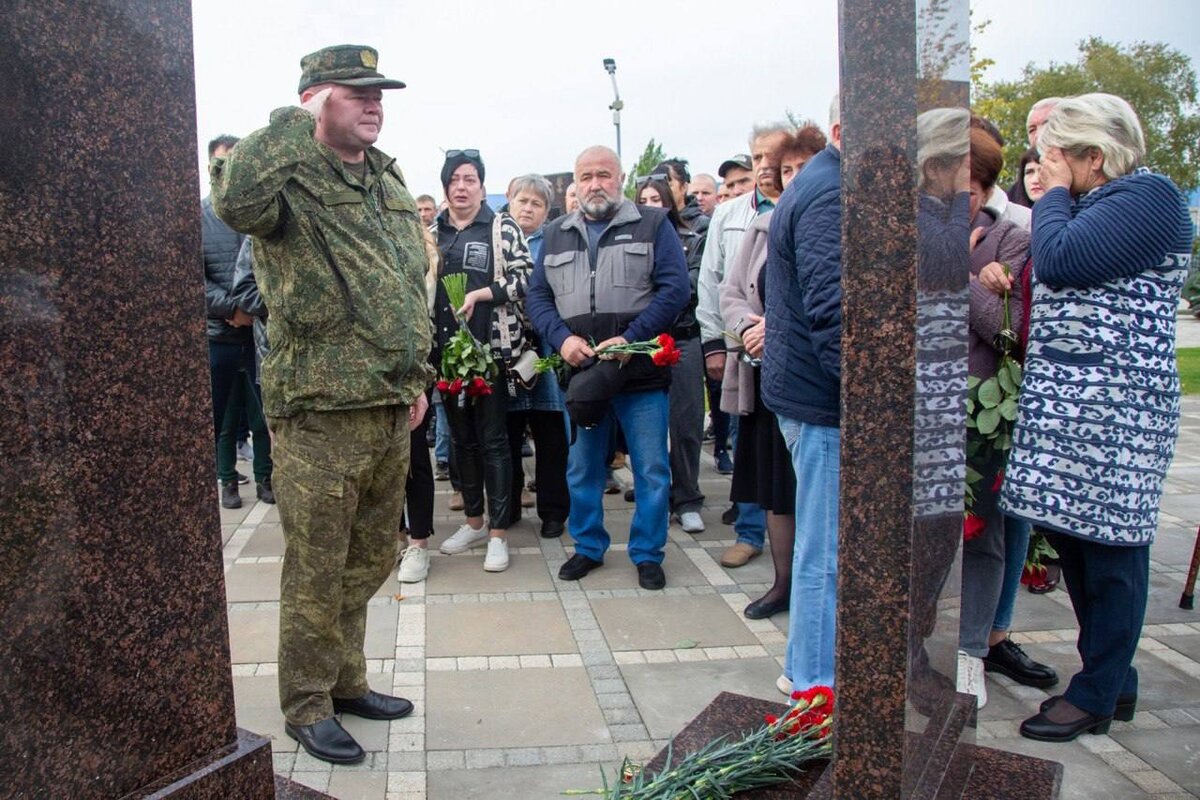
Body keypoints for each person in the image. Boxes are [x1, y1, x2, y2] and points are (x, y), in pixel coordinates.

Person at [210, 44, 428, 764]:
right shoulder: (284, 177)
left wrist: (416, 377)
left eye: (380, 93)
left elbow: (406, 284)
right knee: (317, 565)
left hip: (389, 402)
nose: (375, 104)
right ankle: (307, 703)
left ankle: (347, 681)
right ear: (315, 100)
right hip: (318, 411)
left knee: (371, 553)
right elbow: (234, 199)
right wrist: (289, 123)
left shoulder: (388, 175)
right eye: (356, 92)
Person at [1000, 93, 1194, 742]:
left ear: (1095, 155)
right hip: (1074, 415)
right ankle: (1115, 679)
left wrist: (1052, 195)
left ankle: (1096, 695)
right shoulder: (1095, 203)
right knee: (1080, 548)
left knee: (1110, 554)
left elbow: (1062, 260)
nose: (1045, 166)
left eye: (1057, 155)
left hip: (1116, 419)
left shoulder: (1148, 196)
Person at [526, 145, 690, 591]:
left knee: (652, 467)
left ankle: (647, 553)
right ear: (574, 186)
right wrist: (562, 340)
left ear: (621, 178)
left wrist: (633, 336)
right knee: (582, 466)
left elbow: (675, 289)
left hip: (639, 373)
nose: (594, 183)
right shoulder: (557, 232)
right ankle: (588, 547)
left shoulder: (653, 225)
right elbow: (537, 297)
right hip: (584, 374)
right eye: (586, 176)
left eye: (604, 174)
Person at [954, 123, 1056, 708]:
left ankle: (971, 649)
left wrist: (958, 276)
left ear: (986, 188)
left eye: (967, 188)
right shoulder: (903, 237)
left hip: (982, 416)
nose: (952, 201)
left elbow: (1006, 331)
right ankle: (919, 640)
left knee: (983, 535)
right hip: (917, 412)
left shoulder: (1011, 239)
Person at [718, 125, 822, 609]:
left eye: (798, 167)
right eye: (782, 168)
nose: (779, 173)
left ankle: (817, 592)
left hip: (811, 377)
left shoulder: (830, 220)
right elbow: (731, 291)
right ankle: (784, 586)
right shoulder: (760, 227)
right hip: (763, 374)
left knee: (813, 491)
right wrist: (747, 328)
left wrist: (775, 329)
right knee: (778, 485)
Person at [762, 95, 841, 695]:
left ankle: (815, 668)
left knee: (827, 544)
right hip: (824, 400)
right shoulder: (831, 190)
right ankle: (814, 679)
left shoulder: (821, 183)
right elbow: (834, 309)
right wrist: (874, 403)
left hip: (814, 394)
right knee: (825, 552)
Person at [431, 150, 533, 573]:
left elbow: (525, 277)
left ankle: (498, 532)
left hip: (490, 352)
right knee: (461, 442)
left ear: (481, 184)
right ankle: (473, 521)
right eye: (454, 179)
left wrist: (481, 294)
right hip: (445, 355)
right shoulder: (432, 230)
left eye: (470, 179)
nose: (461, 186)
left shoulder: (501, 225)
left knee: (494, 441)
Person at [696, 126, 797, 552]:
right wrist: (717, 341)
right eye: (756, 157)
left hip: (793, 352)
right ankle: (749, 532)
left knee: (790, 452)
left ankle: (795, 542)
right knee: (747, 442)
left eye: (771, 157)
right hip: (745, 348)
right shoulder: (730, 212)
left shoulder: (808, 205)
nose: (763, 166)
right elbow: (715, 281)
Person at [202, 134, 274, 510]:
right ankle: (227, 479)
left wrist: (254, 309)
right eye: (222, 163)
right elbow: (193, 279)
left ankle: (266, 477)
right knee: (226, 417)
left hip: (259, 335)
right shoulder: (198, 216)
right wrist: (231, 309)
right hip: (220, 334)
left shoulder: (258, 214)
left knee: (262, 414)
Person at [635, 174, 707, 533]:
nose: (651, 206)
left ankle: (688, 496)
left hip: (682, 337)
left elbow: (689, 287)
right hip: (642, 342)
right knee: (647, 430)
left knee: (687, 422)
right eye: (643, 200)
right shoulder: (629, 241)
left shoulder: (691, 239)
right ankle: (656, 501)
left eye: (657, 199)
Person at [504, 174, 570, 538]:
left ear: (546, 210)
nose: (528, 209)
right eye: (522, 201)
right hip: (505, 348)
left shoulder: (555, 241)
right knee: (507, 432)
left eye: (537, 203)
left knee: (550, 433)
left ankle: (553, 511)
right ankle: (508, 505)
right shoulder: (496, 238)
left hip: (547, 346)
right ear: (510, 202)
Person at [654, 157, 709, 235]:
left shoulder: (702, 225)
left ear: (684, 187)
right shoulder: (650, 222)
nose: (661, 190)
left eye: (667, 185)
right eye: (657, 186)